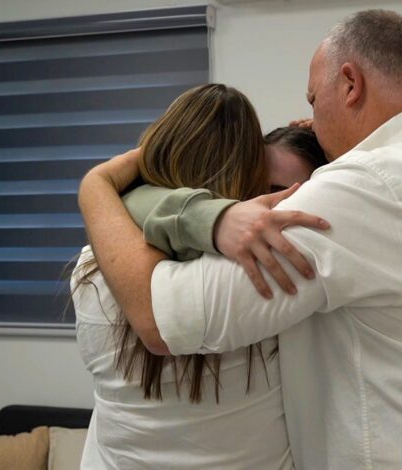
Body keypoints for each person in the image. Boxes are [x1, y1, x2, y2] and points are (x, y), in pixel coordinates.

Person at [79, 11, 402, 468]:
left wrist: (97, 184)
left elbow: (162, 317)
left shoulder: (366, 190)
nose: (311, 117)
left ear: (350, 84)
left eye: (315, 98)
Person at [71, 84, 329, 469]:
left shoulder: (90, 270)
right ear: (247, 181)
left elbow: (125, 214)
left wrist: (99, 183)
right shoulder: (264, 274)